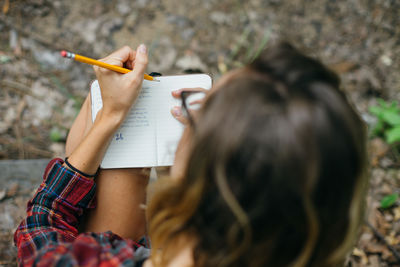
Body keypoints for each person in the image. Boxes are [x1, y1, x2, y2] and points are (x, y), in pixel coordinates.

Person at [14, 42, 367, 267]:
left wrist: (108, 118)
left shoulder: (99, 260)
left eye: (203, 112)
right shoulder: (304, 246)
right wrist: (180, 172)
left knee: (102, 108)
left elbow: (40, 230)